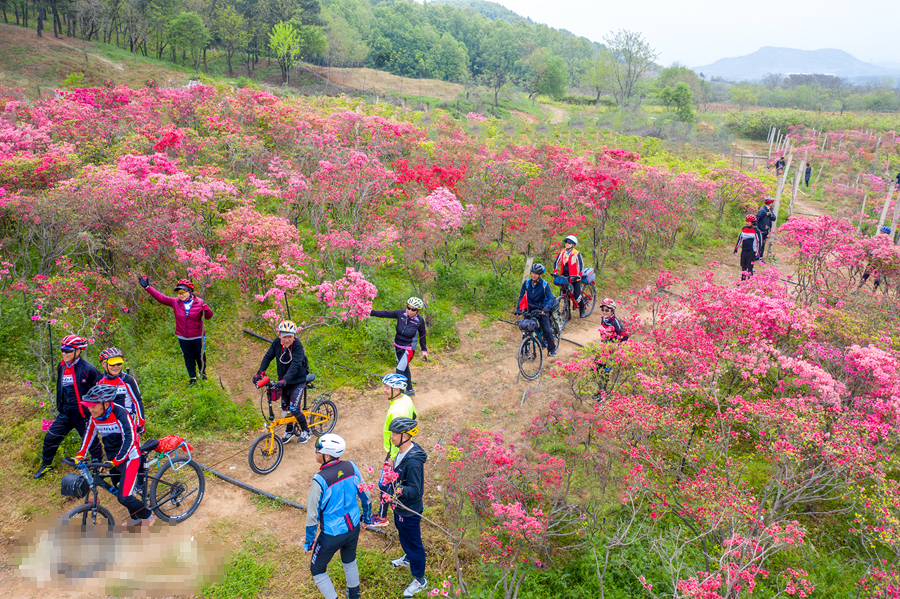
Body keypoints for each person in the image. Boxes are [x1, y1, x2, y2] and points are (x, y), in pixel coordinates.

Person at [74, 384, 154, 525]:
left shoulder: (120, 413)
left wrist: (117, 460)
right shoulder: (95, 416)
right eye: (89, 406)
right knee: (119, 490)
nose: (90, 409)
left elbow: (130, 439)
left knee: (125, 497)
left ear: (105, 404)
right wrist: (80, 454)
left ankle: (148, 516)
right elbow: (89, 434)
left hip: (129, 458)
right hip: (113, 459)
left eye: (93, 406)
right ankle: (136, 520)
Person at [304, 434, 372, 599]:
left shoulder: (319, 479)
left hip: (331, 534)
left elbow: (312, 515)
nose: (315, 453)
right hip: (353, 527)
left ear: (327, 456)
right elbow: (366, 495)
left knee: (317, 570)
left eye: (318, 451)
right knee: (349, 561)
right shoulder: (351, 467)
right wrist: (366, 517)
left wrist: (309, 541)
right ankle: (354, 594)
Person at [34, 334, 102, 479]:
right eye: (62, 350)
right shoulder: (61, 366)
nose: (64, 353)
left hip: (82, 413)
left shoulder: (88, 369)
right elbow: (61, 388)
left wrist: (94, 409)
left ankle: (98, 467)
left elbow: (100, 388)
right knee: (50, 438)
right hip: (66, 412)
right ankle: (46, 465)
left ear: (78, 351)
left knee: (91, 442)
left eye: (68, 351)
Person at [138, 276, 213, 385]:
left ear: (190, 291)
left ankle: (203, 374)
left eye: (183, 292)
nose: (181, 295)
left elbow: (208, 316)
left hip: (198, 336)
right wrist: (148, 288)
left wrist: (206, 310)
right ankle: (193, 377)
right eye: (178, 293)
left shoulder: (199, 302)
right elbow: (160, 298)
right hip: (183, 336)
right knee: (188, 357)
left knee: (200, 355)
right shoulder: (175, 302)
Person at [384, 417, 428, 598]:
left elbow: (416, 490)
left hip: (409, 510)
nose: (392, 436)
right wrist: (393, 468)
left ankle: (420, 579)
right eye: (392, 433)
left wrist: (396, 487)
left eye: (395, 434)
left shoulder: (414, 461)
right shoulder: (402, 452)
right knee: (403, 534)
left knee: (414, 543)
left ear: (406, 436)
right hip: (400, 507)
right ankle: (408, 558)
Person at [253, 320, 312, 444]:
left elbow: (296, 364)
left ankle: (306, 431)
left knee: (295, 409)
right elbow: (268, 357)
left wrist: (286, 379)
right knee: (285, 409)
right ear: (279, 335)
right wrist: (260, 372)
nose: (287, 340)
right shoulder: (276, 343)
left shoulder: (297, 345)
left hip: (297, 381)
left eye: (290, 337)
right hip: (284, 381)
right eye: (284, 337)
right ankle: (289, 430)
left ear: (294, 336)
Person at [371, 373, 418, 528]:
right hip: (403, 447)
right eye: (384, 386)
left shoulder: (396, 410)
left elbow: (396, 436)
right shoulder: (406, 399)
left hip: (395, 451)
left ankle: (382, 518)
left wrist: (392, 457)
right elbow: (414, 416)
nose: (384, 390)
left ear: (397, 389)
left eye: (387, 387)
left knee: (385, 483)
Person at [370, 298, 428, 396]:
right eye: (408, 308)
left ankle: (399, 393)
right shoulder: (401, 313)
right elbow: (386, 313)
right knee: (405, 368)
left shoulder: (420, 320)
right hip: (397, 346)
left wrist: (424, 350)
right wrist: (371, 312)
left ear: (418, 311)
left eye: (413, 309)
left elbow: (422, 335)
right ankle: (409, 390)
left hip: (409, 349)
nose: (410, 311)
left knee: (399, 369)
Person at [517, 263, 558, 357]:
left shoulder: (544, 284)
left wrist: (545, 309)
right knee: (526, 329)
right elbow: (521, 296)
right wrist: (518, 309)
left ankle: (552, 349)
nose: (533, 275)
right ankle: (525, 349)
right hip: (529, 310)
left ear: (540, 275)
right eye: (532, 273)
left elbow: (551, 298)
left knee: (547, 330)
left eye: (536, 273)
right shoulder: (527, 283)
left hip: (541, 311)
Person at [592, 299, 627, 401]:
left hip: (611, 351)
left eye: (607, 310)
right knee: (596, 369)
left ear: (612, 311)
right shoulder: (604, 319)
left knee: (606, 373)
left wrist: (616, 347)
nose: (604, 311)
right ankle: (599, 391)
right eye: (603, 309)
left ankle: (603, 395)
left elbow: (624, 336)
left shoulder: (614, 321)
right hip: (603, 349)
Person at [552, 235, 586, 317]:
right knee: (566, 296)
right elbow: (556, 262)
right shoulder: (562, 252)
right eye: (566, 242)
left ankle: (582, 308)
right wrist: (555, 272)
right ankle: (568, 314)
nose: (566, 244)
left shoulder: (576, 253)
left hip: (575, 278)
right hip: (565, 278)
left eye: (569, 242)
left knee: (577, 297)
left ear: (573, 244)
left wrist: (579, 275)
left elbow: (581, 265)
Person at [859, 226, 892, 292]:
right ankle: (858, 289)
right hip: (874, 261)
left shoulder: (888, 242)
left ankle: (873, 292)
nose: (882, 233)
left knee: (876, 278)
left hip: (879, 262)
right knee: (866, 275)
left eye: (883, 232)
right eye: (882, 232)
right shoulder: (877, 239)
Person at [734, 214, 762, 281]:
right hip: (744, 250)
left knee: (749, 268)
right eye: (746, 221)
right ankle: (743, 281)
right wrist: (736, 248)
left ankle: (750, 283)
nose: (747, 223)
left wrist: (758, 253)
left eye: (748, 222)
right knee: (743, 267)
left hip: (752, 251)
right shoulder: (744, 229)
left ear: (752, 223)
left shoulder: (756, 231)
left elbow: (759, 242)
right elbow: (740, 238)